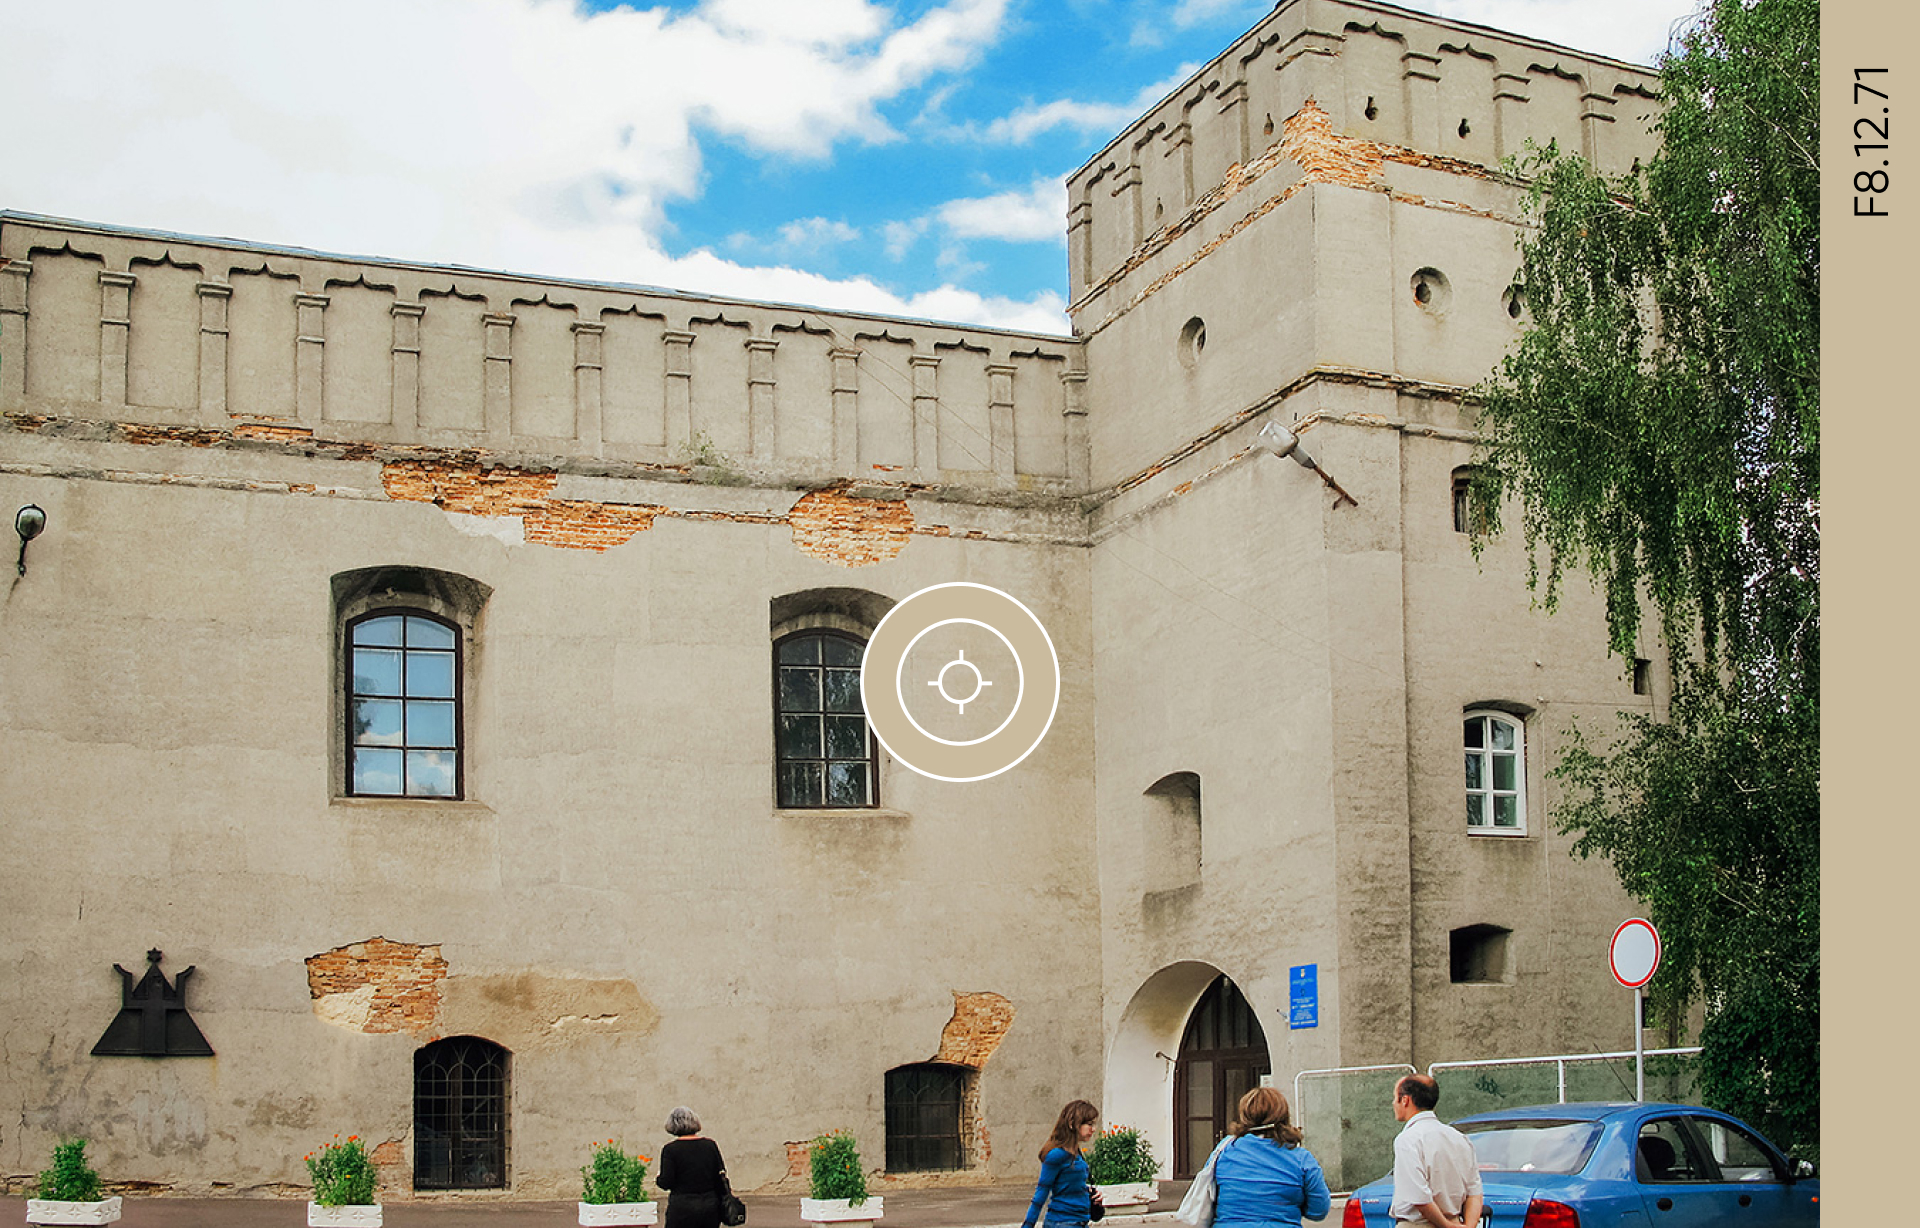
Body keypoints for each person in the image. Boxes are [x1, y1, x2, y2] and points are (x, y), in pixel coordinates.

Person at [1211, 1086, 1331, 1226]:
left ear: (1244, 1116)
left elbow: (1209, 1194)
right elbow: (1319, 1210)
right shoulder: (1302, 1159)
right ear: (1284, 1116)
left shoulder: (1224, 1151)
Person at [1389, 1075, 1482, 1228]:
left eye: (1395, 1098)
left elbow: (1419, 1196)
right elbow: (1474, 1191)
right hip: (1456, 1221)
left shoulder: (1407, 1140)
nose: (1393, 1103)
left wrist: (1446, 1225)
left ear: (1405, 1100)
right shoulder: (1459, 1138)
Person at [1022, 1099, 1102, 1228]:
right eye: (1089, 1124)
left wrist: (1089, 1194)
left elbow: (1067, 1185)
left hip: (1079, 1222)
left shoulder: (1076, 1154)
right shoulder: (1057, 1155)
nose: (1093, 1129)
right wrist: (1027, 1225)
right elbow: (1041, 1194)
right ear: (1072, 1124)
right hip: (1062, 1223)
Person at [658, 1105, 728, 1228]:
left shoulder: (670, 1150)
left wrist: (658, 1178)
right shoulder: (710, 1145)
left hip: (682, 1207)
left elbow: (666, 1182)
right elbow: (719, 1174)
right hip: (709, 1206)